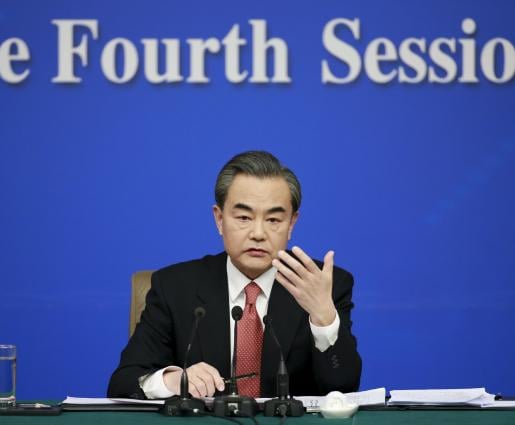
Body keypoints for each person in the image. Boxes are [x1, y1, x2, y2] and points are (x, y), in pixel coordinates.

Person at [108, 151, 361, 399]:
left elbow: (345, 389)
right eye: (243, 217)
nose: (258, 233)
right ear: (219, 219)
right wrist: (172, 379)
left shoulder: (324, 285)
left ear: (291, 224)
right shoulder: (174, 287)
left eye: (273, 220)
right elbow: (123, 383)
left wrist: (324, 318)